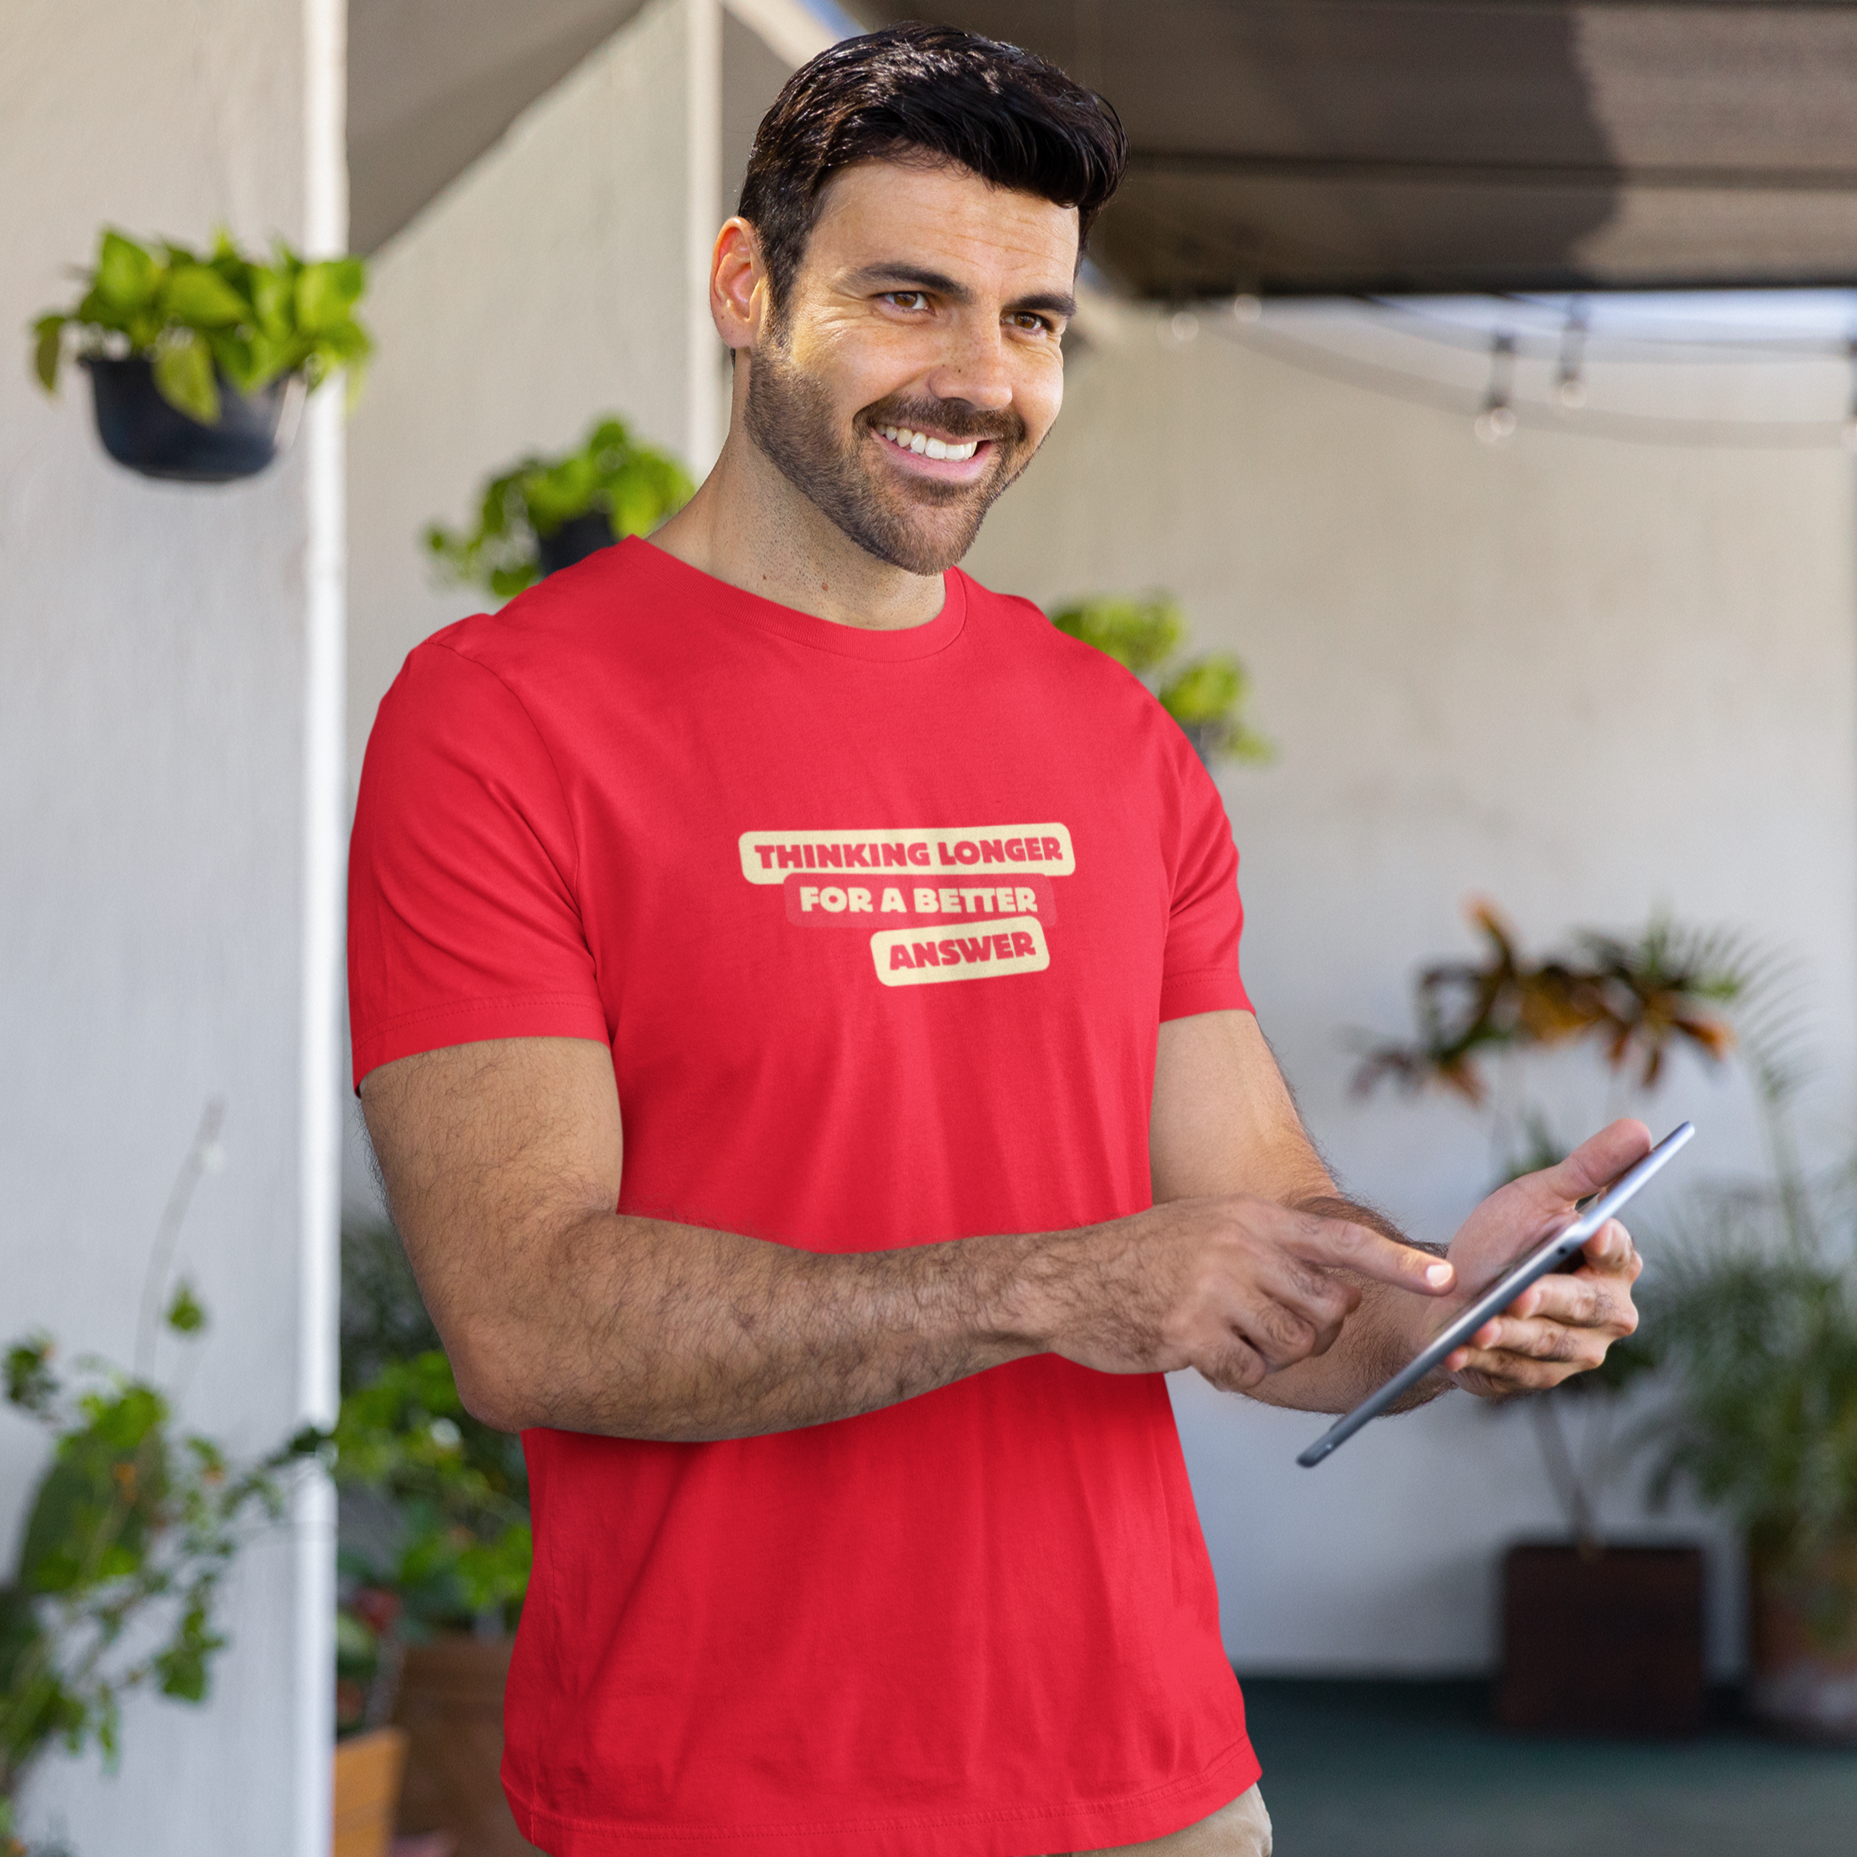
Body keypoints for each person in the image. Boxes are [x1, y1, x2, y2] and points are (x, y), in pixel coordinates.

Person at [347, 24, 1645, 1857]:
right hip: (718, 1802)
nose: (980, 379)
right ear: (747, 288)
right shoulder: (501, 723)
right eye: (908, 297)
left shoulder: (1112, 740)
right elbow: (523, 1315)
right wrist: (1050, 1283)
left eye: (1034, 320)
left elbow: (1254, 1237)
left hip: (1152, 1790)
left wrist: (1450, 1298)